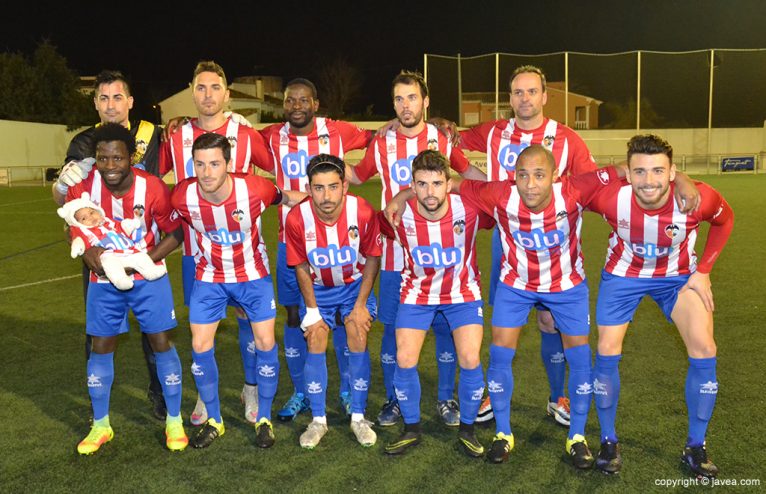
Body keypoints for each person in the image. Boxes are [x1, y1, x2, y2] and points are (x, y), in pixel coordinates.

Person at [585, 134, 733, 477]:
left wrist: (705, 270)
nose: (648, 181)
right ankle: (609, 441)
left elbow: (726, 221)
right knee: (606, 349)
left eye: (657, 171)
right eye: (639, 171)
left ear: (672, 172)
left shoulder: (697, 198)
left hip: (679, 277)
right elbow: (571, 194)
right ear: (628, 172)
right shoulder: (610, 198)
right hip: (623, 277)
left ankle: (696, 446)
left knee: (705, 348)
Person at [458, 65, 598, 427]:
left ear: (544, 96)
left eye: (531, 91)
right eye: (518, 92)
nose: (524, 99)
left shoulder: (567, 139)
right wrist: (473, 174)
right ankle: (495, 390)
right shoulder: (492, 133)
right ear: (510, 98)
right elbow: (449, 142)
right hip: (509, 245)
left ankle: (557, 397)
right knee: (503, 325)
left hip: (554, 250)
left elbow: (592, 186)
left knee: (551, 323)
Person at [349, 70, 486, 428]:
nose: (405, 105)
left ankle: (445, 398)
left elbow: (466, 172)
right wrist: (313, 166)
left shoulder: (441, 137)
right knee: (394, 329)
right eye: (398, 99)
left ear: (425, 102)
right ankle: (395, 399)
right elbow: (357, 177)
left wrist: (506, 189)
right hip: (396, 255)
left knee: (445, 331)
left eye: (412, 98)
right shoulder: (381, 143)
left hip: (444, 254)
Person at [170, 133, 306, 449]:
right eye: (200, 164)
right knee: (200, 345)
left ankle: (264, 418)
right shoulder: (182, 196)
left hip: (252, 276)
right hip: (209, 277)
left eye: (215, 164)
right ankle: (215, 419)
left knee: (266, 342)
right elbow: (156, 211)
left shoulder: (254, 189)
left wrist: (323, 200)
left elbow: (284, 197)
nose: (207, 172)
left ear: (228, 165)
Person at [159, 60, 274, 426]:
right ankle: (205, 399)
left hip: (243, 254)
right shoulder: (175, 136)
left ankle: (250, 387)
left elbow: (275, 166)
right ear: (191, 93)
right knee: (200, 333)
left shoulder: (244, 132)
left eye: (215, 88)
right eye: (200, 88)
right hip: (198, 254)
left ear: (227, 94)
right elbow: (154, 178)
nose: (208, 95)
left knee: (249, 324)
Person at [52, 70, 167, 420]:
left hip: (144, 247)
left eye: (118, 97)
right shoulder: (83, 142)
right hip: (100, 253)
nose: (111, 105)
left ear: (130, 101)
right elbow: (66, 200)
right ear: (95, 103)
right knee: (98, 331)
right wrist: (59, 187)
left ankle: (160, 392)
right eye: (103, 98)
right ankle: (97, 400)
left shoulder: (154, 135)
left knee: (155, 330)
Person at [66, 123, 186, 454]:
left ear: (130, 157)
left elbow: (176, 232)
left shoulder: (154, 188)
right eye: (102, 159)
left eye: (117, 158)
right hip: (104, 280)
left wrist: (144, 260)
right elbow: (72, 225)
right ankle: (101, 425)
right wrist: (87, 249)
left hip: (149, 278)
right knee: (101, 346)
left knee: (160, 342)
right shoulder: (85, 186)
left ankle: (174, 420)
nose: (110, 166)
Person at [260, 78, 374, 422]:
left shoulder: (337, 131)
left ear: (316, 103)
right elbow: (231, 137)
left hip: (336, 233)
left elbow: (379, 138)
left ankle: (344, 388)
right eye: (290, 100)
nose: (296, 105)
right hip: (291, 238)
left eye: (303, 100)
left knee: (341, 317)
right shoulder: (269, 135)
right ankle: (301, 390)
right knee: (297, 317)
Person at [377, 150, 492, 457]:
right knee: (404, 358)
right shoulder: (396, 216)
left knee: (469, 357)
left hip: (462, 294)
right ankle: (411, 428)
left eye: (437, 183)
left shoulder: (470, 209)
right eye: (422, 184)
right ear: (412, 186)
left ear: (448, 184)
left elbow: (498, 192)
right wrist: (399, 197)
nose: (430, 191)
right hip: (417, 294)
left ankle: (467, 430)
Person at [285, 154, 381, 448]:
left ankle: (359, 418)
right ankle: (318, 421)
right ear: (309, 188)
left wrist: (361, 304)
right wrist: (312, 310)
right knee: (315, 335)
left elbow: (373, 257)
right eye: (318, 188)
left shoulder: (363, 212)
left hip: (353, 288)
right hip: (319, 290)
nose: (326, 196)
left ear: (345, 186)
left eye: (333, 187)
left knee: (356, 328)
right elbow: (300, 265)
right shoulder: (296, 218)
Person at [58, 192, 167, 290]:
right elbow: (78, 241)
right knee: (110, 264)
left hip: (127, 251)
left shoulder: (109, 222)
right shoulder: (84, 231)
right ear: (78, 223)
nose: (90, 217)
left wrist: (130, 224)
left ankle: (151, 271)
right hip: (108, 254)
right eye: (83, 218)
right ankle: (121, 281)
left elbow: (121, 227)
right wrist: (77, 247)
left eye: (91, 212)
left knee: (141, 256)